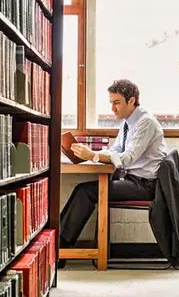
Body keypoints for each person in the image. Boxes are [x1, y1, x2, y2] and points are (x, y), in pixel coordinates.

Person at [59, 79, 168, 262]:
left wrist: (93, 156)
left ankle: (60, 248)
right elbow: (116, 150)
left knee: (85, 192)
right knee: (84, 190)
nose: (113, 108)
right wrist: (91, 154)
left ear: (131, 101)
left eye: (116, 102)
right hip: (132, 180)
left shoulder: (145, 123)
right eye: (111, 103)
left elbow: (127, 158)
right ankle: (60, 244)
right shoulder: (127, 123)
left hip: (145, 186)